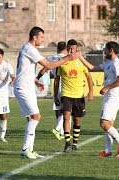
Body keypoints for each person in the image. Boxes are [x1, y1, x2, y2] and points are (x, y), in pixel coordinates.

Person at [13, 26, 80, 159]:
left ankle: (28, 149)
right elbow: (49, 65)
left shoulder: (27, 49)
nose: (43, 40)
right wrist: (68, 58)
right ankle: (26, 149)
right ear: (35, 37)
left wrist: (35, 80)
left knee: (32, 118)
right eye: (42, 37)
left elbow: (24, 69)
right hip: (23, 88)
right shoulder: (29, 49)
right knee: (35, 117)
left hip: (27, 87)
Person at [78, 41, 119, 157]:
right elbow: (92, 67)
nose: (104, 52)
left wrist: (107, 87)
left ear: (110, 50)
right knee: (108, 124)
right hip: (109, 96)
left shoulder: (116, 63)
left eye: (105, 49)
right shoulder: (108, 63)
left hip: (113, 96)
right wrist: (80, 57)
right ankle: (108, 151)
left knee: (103, 123)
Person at [54, 39, 94, 152]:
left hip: (79, 95)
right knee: (66, 116)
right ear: (67, 48)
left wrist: (91, 92)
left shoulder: (81, 61)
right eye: (70, 48)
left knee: (77, 119)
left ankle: (75, 144)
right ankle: (67, 143)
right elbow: (57, 80)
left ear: (77, 49)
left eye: (74, 48)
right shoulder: (62, 61)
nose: (72, 50)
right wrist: (55, 95)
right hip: (66, 94)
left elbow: (89, 77)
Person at [36, 41, 71, 140]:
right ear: (66, 48)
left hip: (56, 86)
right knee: (68, 110)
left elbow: (43, 70)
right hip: (66, 86)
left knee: (58, 109)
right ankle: (59, 129)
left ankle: (61, 132)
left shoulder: (51, 59)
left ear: (57, 49)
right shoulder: (67, 58)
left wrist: (37, 78)